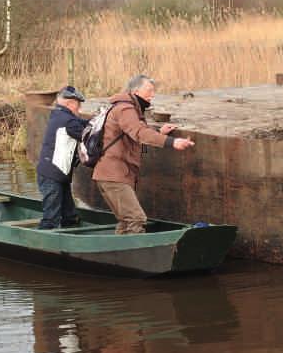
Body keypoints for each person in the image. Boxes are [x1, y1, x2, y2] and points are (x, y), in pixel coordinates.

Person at [92, 75, 195, 234]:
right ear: (135, 90)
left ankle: (120, 253)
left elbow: (136, 142)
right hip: (113, 175)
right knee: (136, 218)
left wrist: (158, 132)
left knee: (126, 220)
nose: (152, 95)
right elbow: (140, 133)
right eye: (149, 90)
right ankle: (134, 255)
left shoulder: (131, 108)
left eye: (153, 91)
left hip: (112, 174)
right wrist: (171, 142)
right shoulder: (125, 109)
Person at [36, 86, 89, 229]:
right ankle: (42, 242)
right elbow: (88, 136)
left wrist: (96, 121)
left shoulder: (59, 115)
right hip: (53, 175)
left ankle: (70, 231)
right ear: (70, 103)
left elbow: (83, 124)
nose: (80, 107)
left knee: (69, 215)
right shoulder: (68, 121)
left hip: (56, 174)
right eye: (78, 103)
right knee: (51, 218)